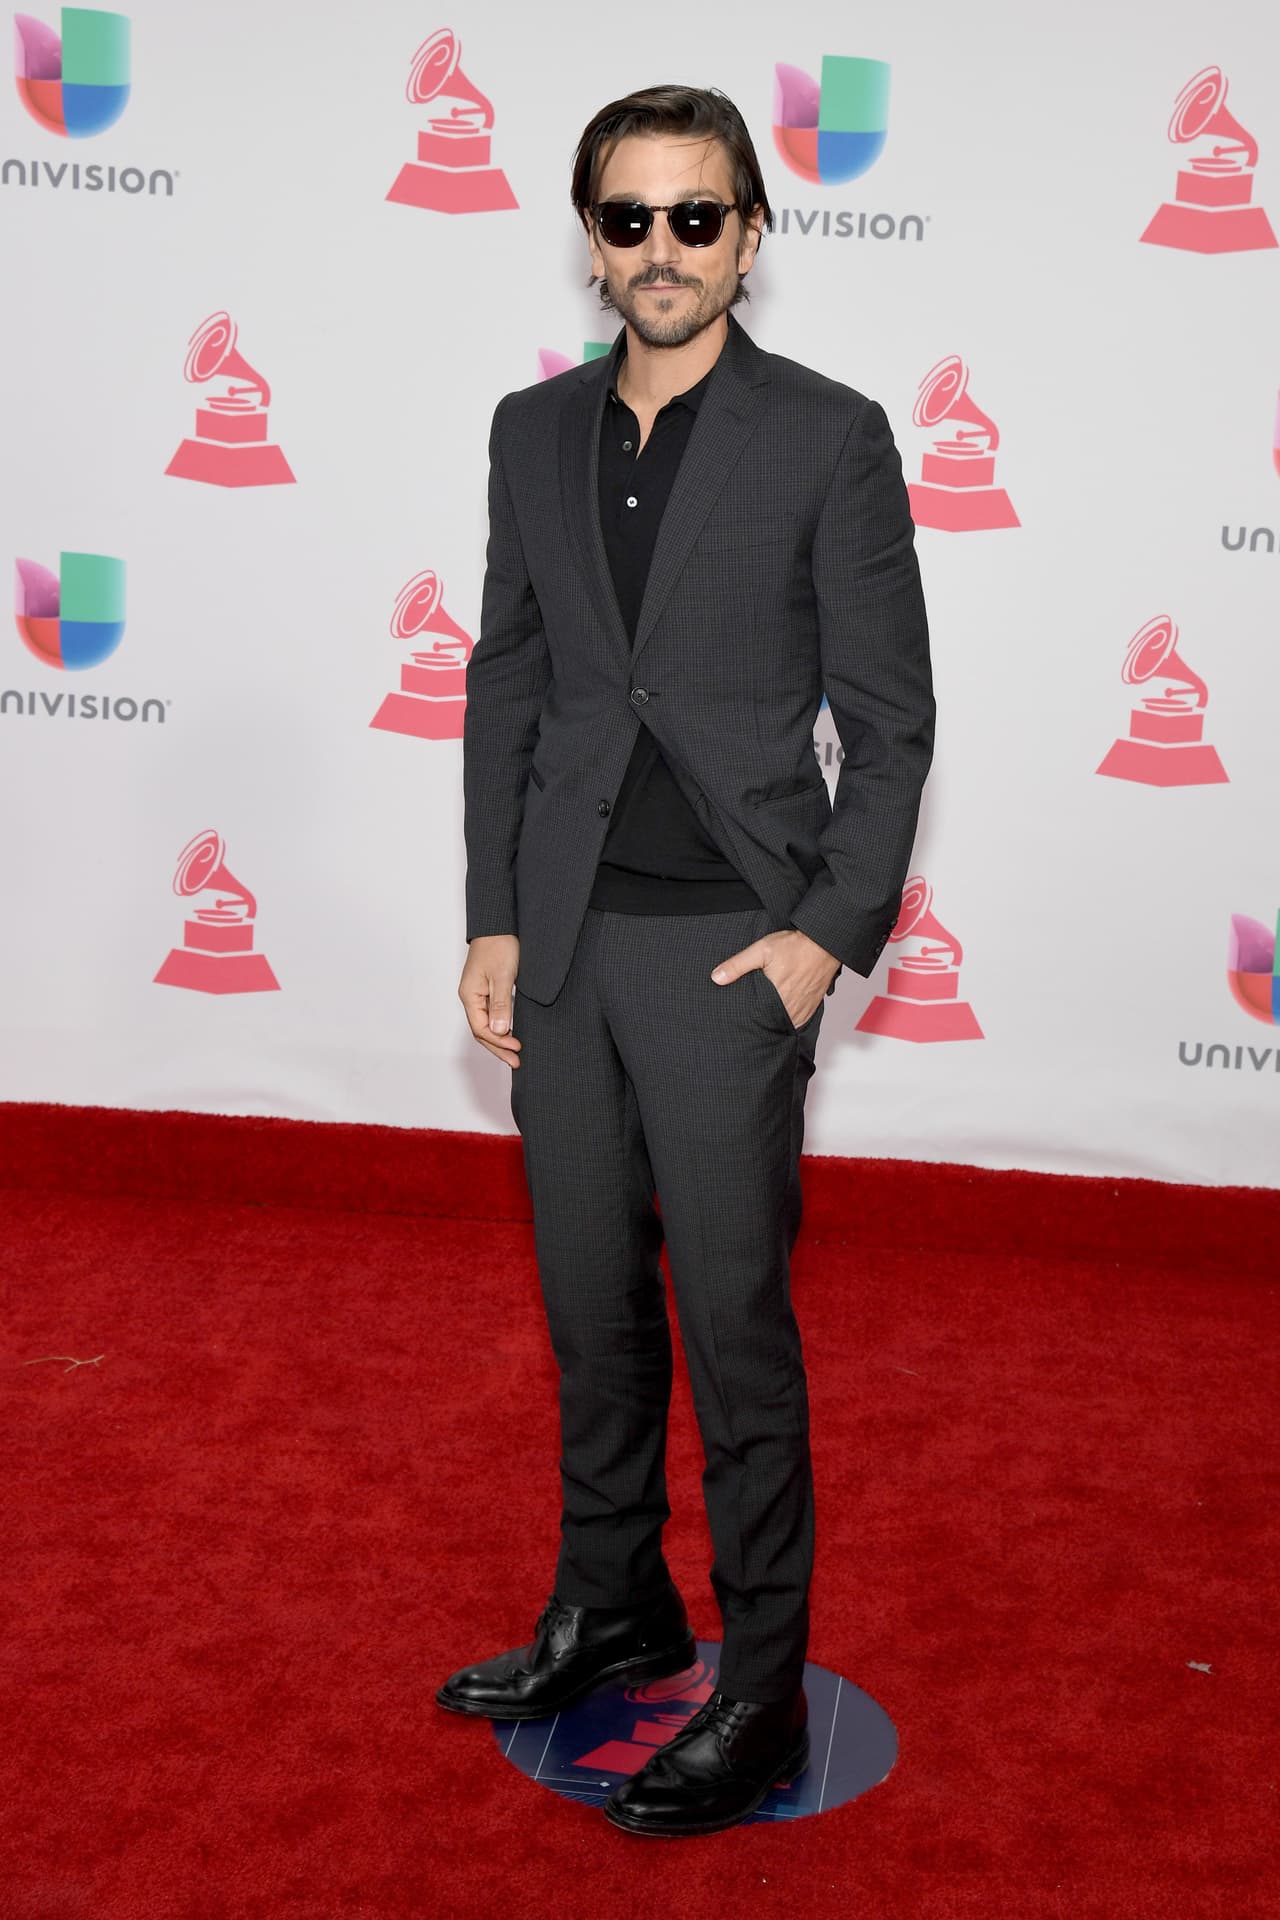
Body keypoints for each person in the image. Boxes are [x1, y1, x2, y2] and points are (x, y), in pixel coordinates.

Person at [442, 83, 934, 1838]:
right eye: (630, 218)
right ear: (592, 237)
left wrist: (821, 943)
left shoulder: (831, 436)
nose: (662, 250)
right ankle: (615, 1605)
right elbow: (509, 679)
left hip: (735, 948)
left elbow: (890, 724)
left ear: (750, 232)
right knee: (590, 1316)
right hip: (567, 945)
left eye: (697, 217)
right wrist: (496, 915)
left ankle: (759, 1683)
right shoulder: (527, 429)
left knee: (732, 1334)